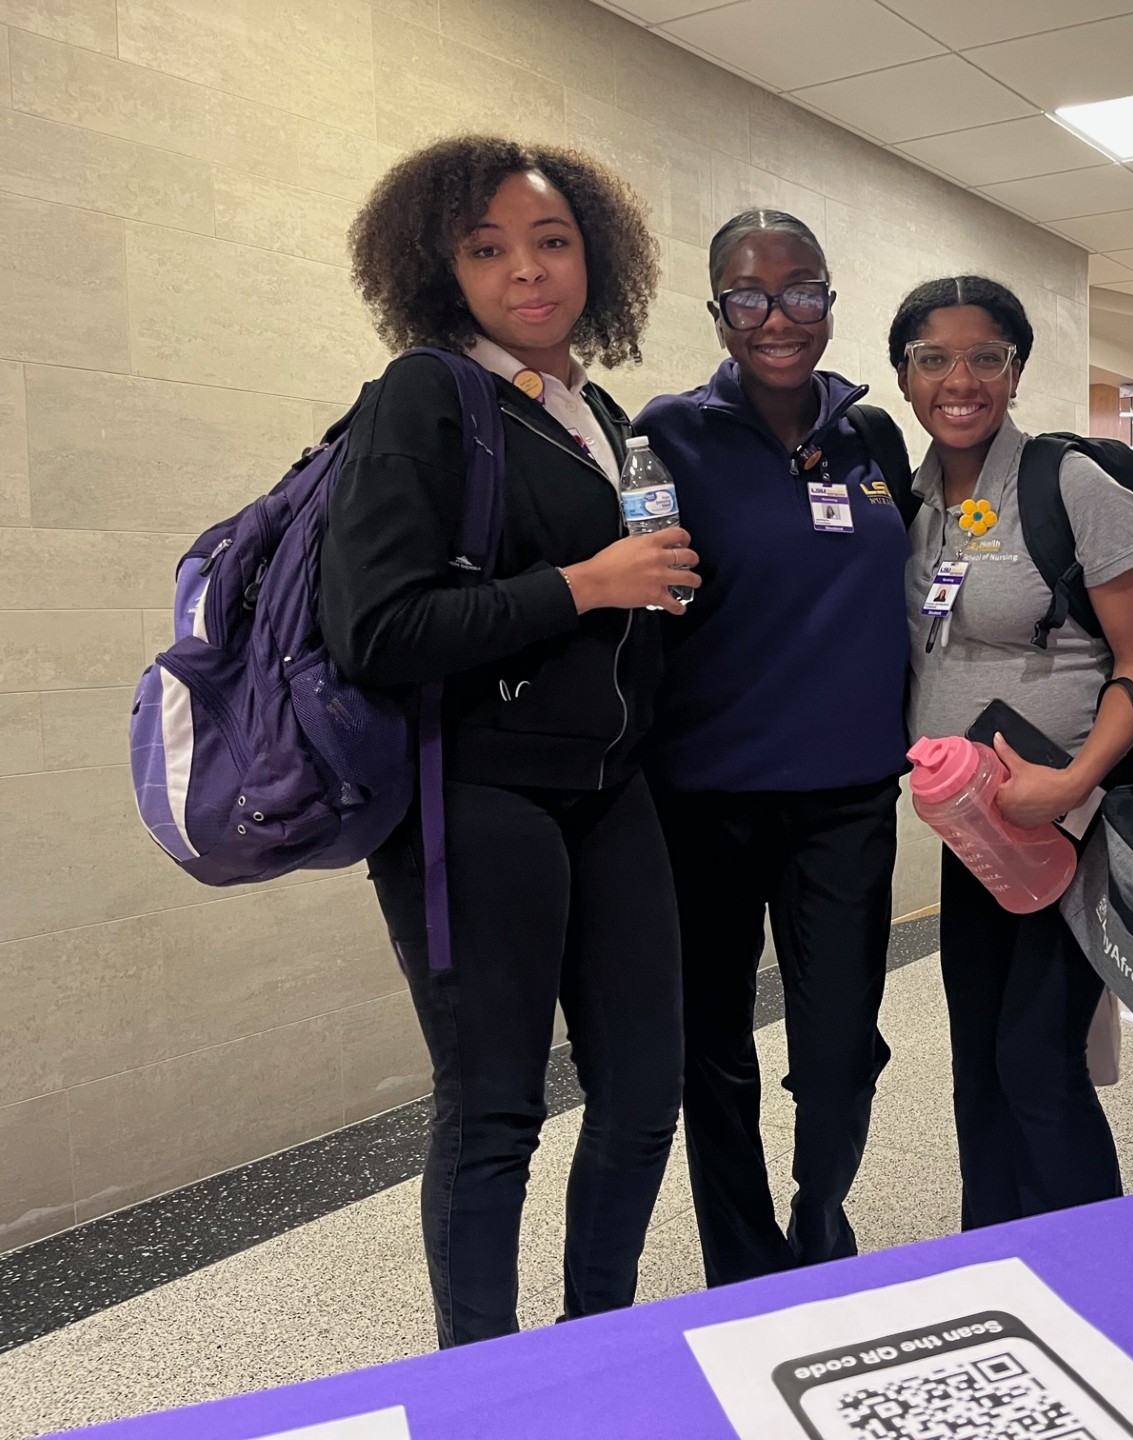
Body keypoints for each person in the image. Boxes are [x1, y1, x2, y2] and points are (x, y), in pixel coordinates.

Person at [322, 137, 696, 1346]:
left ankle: (598, 1344)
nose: (526, 273)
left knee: (645, 1093)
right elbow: (378, 628)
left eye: (550, 242)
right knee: (494, 1111)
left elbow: (634, 590)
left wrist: (657, 591)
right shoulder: (426, 394)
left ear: (597, 254)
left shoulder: (607, 419)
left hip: (609, 788)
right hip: (475, 796)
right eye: (486, 250)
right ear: (442, 271)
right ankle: (480, 1388)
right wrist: (586, 585)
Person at [636, 211, 911, 1286]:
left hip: (847, 799)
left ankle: (819, 1223)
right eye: (747, 296)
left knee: (841, 1053)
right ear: (718, 312)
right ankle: (744, 1266)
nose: (777, 316)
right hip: (701, 800)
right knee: (715, 1052)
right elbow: (642, 605)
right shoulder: (666, 436)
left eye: (801, 290)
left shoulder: (873, 440)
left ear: (831, 302)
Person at [892, 275, 1133, 1229]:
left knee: (1036, 1061)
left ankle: (1092, 1266)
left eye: (984, 357)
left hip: (1077, 822)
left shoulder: (1071, 486)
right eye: (934, 358)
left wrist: (1074, 778)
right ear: (903, 374)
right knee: (978, 1057)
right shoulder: (915, 499)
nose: (958, 379)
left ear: (1016, 370)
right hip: (975, 830)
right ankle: (992, 1254)